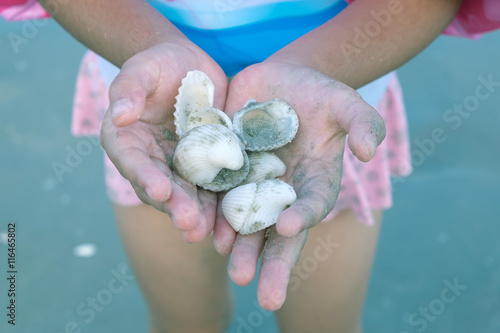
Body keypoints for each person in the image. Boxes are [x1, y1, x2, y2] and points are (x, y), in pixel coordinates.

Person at [2, 0, 499, 332]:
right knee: (183, 319)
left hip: (326, 125)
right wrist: (150, 46)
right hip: (146, 113)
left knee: (323, 324)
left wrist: (322, 64)